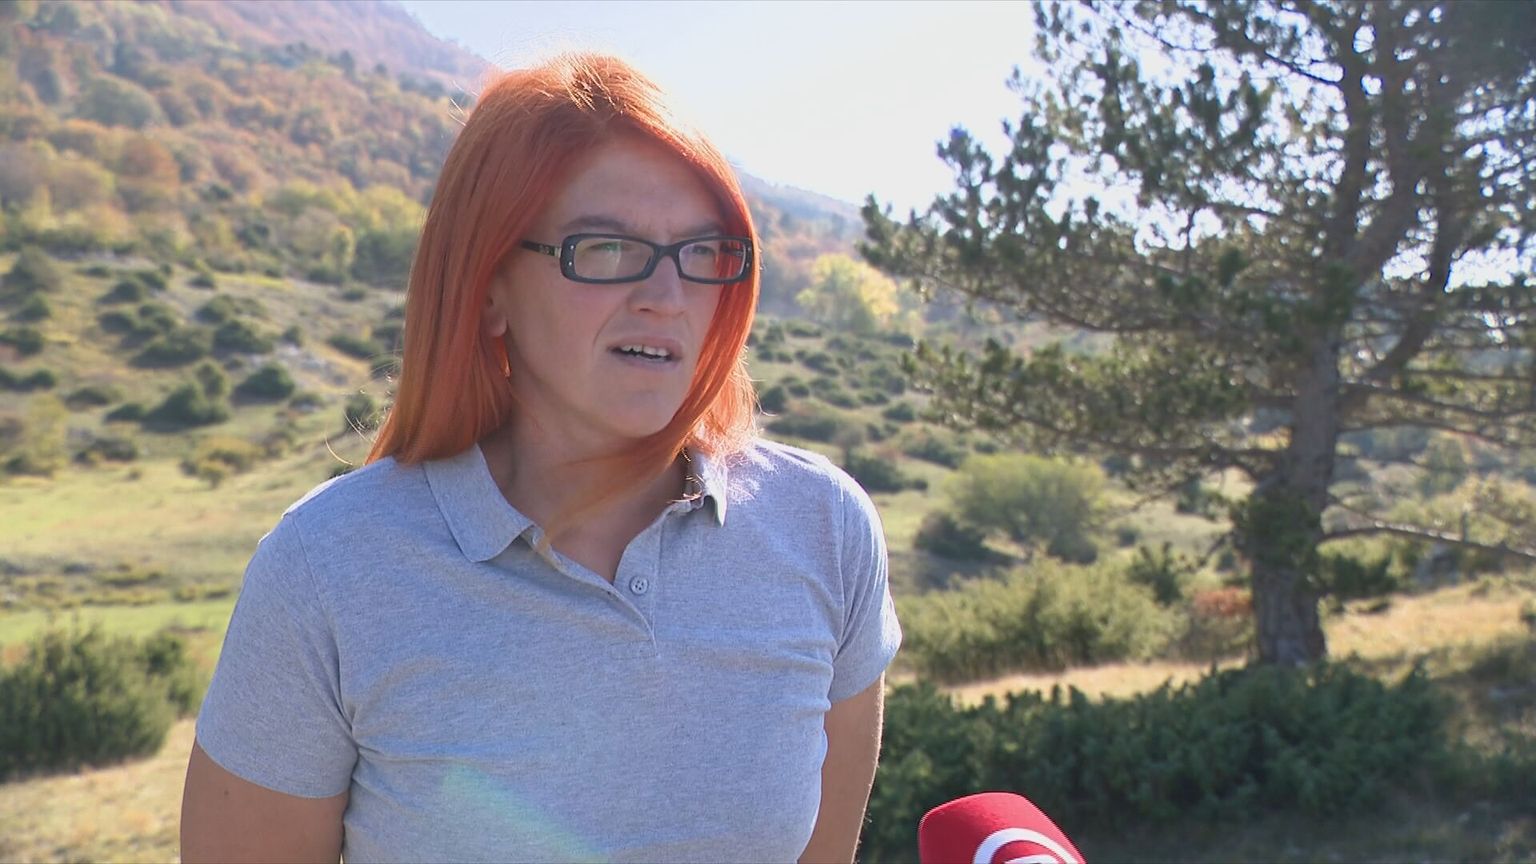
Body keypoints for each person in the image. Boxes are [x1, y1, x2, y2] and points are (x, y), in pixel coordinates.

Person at [180, 52, 901, 863]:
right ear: (487, 285)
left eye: (703, 252)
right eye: (606, 248)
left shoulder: (825, 530)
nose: (667, 297)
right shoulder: (329, 569)